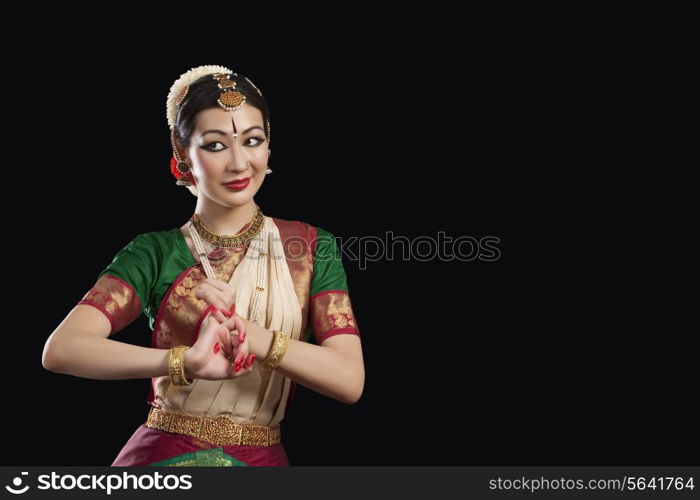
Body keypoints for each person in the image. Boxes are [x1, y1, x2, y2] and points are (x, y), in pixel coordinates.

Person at [42, 65, 364, 467]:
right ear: (183, 154)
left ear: (268, 148)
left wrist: (256, 336)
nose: (239, 163)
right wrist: (182, 361)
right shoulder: (155, 252)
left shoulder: (310, 248)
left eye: (253, 140)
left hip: (262, 462)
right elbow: (62, 350)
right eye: (215, 145)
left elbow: (349, 380)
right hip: (163, 460)